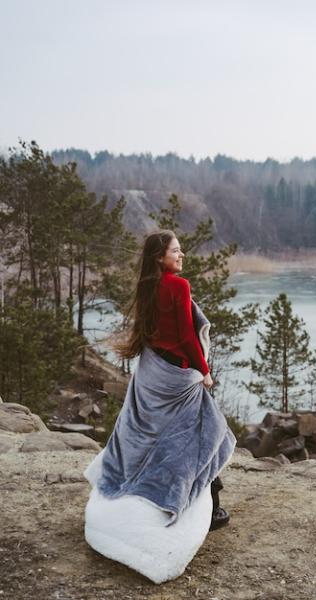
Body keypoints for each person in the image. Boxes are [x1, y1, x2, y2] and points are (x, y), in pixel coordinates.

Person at [83, 229, 236, 583]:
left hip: (152, 372)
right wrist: (205, 370)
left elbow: (152, 333)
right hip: (178, 377)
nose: (181, 256)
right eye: (176, 251)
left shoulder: (147, 285)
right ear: (160, 257)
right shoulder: (178, 287)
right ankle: (211, 507)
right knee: (206, 432)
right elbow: (185, 335)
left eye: (181, 250)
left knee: (159, 434)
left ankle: (208, 500)